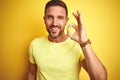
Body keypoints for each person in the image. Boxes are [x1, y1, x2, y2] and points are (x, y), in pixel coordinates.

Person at [27, 0, 107, 80]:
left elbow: (100, 78)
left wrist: (84, 41)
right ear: (44, 20)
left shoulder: (77, 45)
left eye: (60, 18)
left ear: (66, 21)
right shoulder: (35, 44)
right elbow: (31, 73)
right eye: (50, 17)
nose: (54, 23)